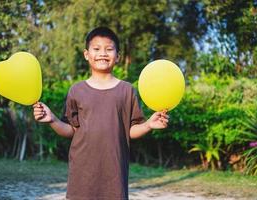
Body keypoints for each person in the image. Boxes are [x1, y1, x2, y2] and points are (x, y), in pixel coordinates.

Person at [33, 26, 169, 200]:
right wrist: (52, 119)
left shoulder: (127, 90)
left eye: (109, 49)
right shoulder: (76, 90)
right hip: (82, 171)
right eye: (96, 49)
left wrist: (149, 124)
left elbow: (129, 131)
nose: (102, 53)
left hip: (114, 171)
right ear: (86, 54)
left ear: (118, 56)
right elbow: (71, 130)